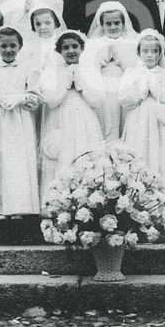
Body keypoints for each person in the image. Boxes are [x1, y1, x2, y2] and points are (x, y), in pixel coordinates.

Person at [118, 29, 165, 218]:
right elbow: (124, 97)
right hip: (138, 118)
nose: (150, 55)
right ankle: (137, 200)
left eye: (154, 52)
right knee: (139, 150)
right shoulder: (132, 73)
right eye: (145, 51)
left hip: (159, 120)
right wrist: (141, 92)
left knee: (161, 152)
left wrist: (155, 90)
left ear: (160, 53)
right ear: (139, 53)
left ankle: (163, 201)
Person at [0, 27, 41, 219]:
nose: (8, 50)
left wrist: (21, 99)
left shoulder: (29, 67)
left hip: (19, 119)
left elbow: (36, 96)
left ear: (20, 46)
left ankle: (18, 207)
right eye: (3, 46)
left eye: (13, 45)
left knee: (18, 161)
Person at [38, 30, 105, 204]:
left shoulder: (89, 71)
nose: (71, 51)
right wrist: (66, 84)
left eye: (74, 47)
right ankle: (58, 201)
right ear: (59, 52)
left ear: (82, 49)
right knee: (61, 154)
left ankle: (85, 200)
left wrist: (81, 85)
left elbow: (97, 100)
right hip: (61, 118)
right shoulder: (53, 72)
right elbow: (51, 101)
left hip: (84, 117)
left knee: (83, 152)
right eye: (65, 48)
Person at [80, 1, 139, 142]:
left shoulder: (133, 42)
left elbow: (137, 68)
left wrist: (122, 60)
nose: (113, 27)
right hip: (103, 88)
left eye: (117, 23)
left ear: (123, 24)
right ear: (102, 25)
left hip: (126, 87)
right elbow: (88, 70)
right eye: (108, 24)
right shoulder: (94, 44)